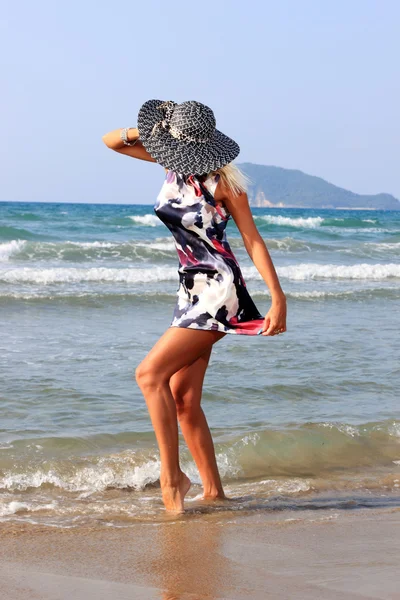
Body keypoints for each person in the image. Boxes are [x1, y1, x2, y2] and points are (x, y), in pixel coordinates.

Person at [102, 99, 287, 513]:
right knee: (183, 398)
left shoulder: (224, 184)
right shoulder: (169, 164)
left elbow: (253, 241)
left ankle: (172, 481)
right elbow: (110, 141)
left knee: (150, 375)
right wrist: (152, 131)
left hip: (217, 291)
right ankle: (215, 492)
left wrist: (278, 298)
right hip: (189, 291)